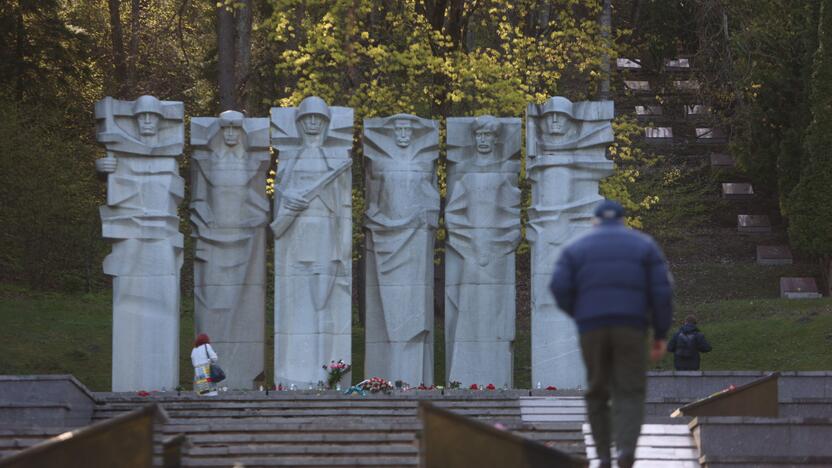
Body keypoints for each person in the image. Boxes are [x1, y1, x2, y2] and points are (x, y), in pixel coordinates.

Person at [549, 199, 673, 468]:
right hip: (631, 327)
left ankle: (604, 455)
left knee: (597, 390)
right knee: (629, 391)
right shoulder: (644, 245)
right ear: (622, 220)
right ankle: (626, 450)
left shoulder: (576, 249)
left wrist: (580, 313)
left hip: (591, 327)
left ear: (595, 221)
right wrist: (660, 334)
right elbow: (662, 292)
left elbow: (558, 286)